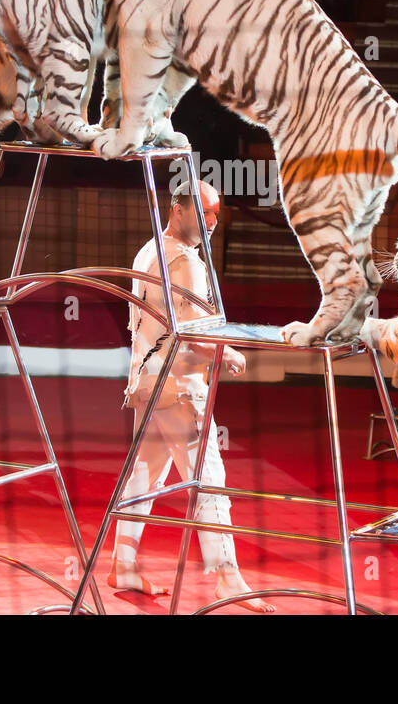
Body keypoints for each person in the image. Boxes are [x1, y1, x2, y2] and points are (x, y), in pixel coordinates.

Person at [112, 181, 274, 613]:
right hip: (179, 387)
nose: (213, 223)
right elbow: (196, 337)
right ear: (178, 210)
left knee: (143, 477)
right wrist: (231, 354)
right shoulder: (186, 262)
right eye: (205, 213)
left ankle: (123, 565)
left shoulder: (148, 250)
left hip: (146, 383)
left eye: (218, 214)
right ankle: (228, 577)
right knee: (209, 478)